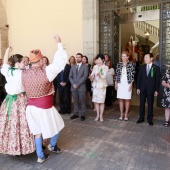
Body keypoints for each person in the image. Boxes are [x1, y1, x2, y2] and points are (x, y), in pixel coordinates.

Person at [22, 35, 67, 163]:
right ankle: (52, 145)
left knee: (37, 132)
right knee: (58, 125)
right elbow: (59, 62)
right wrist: (59, 43)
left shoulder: (23, 74)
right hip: (45, 108)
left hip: (30, 108)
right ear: (40, 60)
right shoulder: (47, 71)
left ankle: (40, 156)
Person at [0, 47, 35, 156]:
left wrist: (6, 51)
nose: (25, 64)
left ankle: (12, 147)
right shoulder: (22, 73)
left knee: (11, 123)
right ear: (18, 63)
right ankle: (23, 147)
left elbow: (5, 63)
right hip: (20, 100)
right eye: (23, 62)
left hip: (10, 100)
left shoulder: (8, 72)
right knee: (23, 123)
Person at [136, 53, 160, 126]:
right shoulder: (142, 67)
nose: (144, 59)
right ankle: (141, 118)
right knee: (141, 104)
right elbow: (138, 78)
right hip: (142, 89)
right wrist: (138, 88)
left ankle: (150, 119)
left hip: (151, 90)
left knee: (150, 105)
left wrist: (156, 90)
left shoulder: (156, 68)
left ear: (151, 58)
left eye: (146, 57)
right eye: (144, 57)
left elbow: (157, 80)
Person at [115, 51, 135, 121]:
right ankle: (121, 114)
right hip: (120, 83)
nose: (123, 57)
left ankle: (126, 114)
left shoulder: (131, 64)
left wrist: (131, 84)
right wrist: (116, 83)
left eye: (124, 56)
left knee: (127, 99)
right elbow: (116, 74)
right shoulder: (119, 64)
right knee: (120, 99)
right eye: (122, 56)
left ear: (127, 57)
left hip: (127, 83)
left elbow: (132, 75)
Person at [69, 53, 88, 121]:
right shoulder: (73, 66)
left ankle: (82, 114)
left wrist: (77, 84)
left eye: (79, 57)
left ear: (81, 58)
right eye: (77, 57)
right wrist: (73, 84)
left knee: (82, 101)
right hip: (73, 87)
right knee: (75, 101)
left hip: (81, 87)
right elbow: (70, 76)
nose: (78, 58)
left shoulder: (85, 66)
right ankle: (76, 113)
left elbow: (85, 76)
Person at [89, 54, 108, 122]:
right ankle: (97, 115)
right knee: (96, 101)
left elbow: (104, 76)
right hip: (96, 86)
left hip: (102, 86)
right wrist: (91, 77)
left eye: (100, 60)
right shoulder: (95, 67)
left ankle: (101, 116)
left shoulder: (105, 67)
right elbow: (92, 75)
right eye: (97, 60)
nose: (98, 61)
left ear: (103, 60)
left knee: (101, 102)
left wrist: (100, 76)